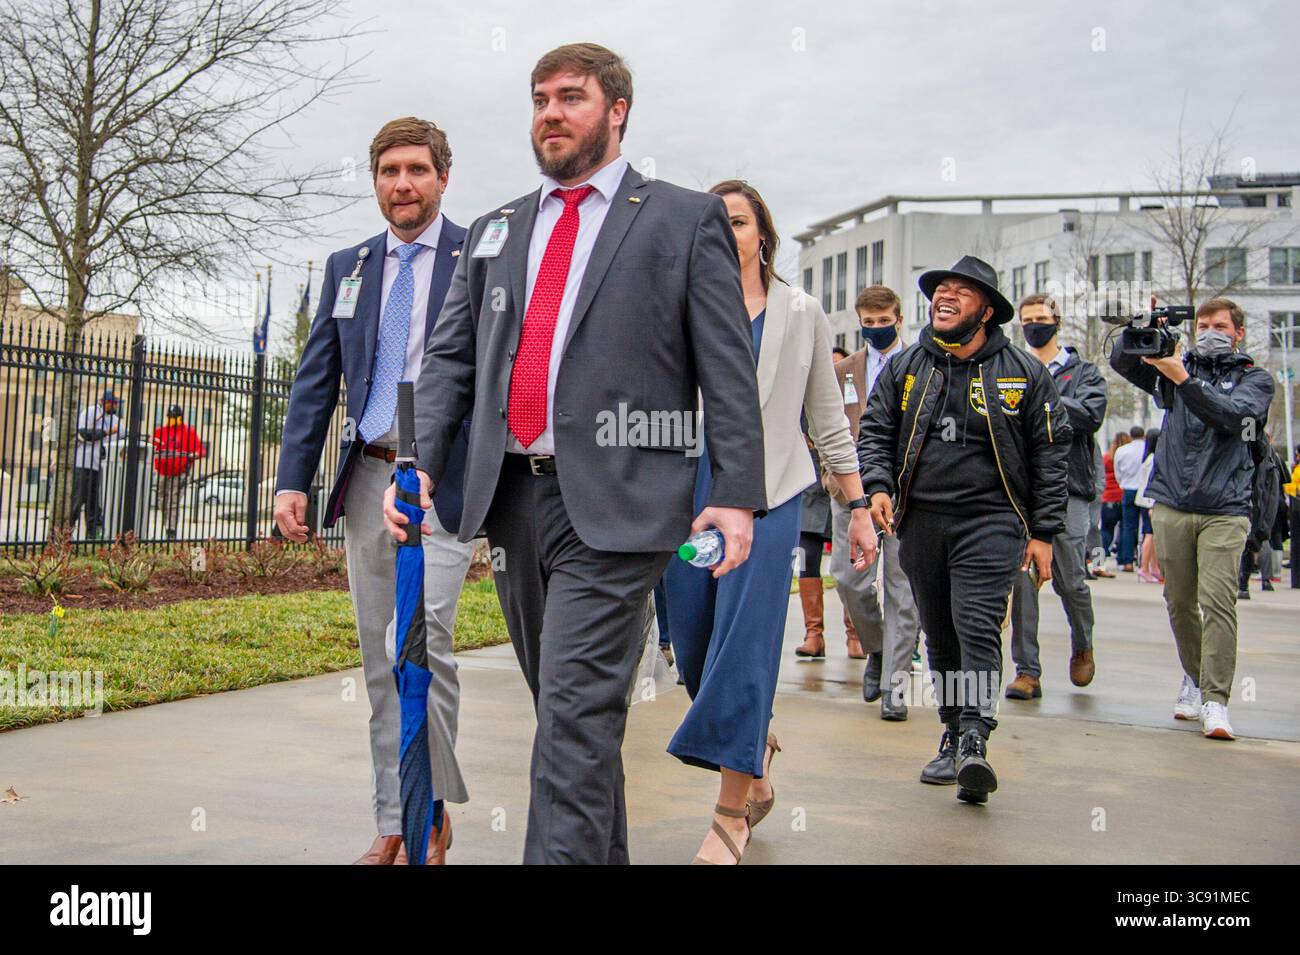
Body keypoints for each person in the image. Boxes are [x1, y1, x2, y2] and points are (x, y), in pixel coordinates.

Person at [384, 44, 768, 864]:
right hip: (514, 504)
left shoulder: (678, 217)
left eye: (570, 98)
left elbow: (726, 362)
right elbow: (451, 360)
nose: (550, 114)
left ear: (617, 109)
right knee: (573, 722)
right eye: (539, 100)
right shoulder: (496, 229)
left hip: (622, 505)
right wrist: (414, 465)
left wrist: (735, 490)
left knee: (570, 713)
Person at [275, 117, 475, 864]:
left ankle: (428, 808)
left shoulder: (475, 256)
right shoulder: (348, 266)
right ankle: (396, 815)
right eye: (390, 171)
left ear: (442, 178)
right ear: (375, 181)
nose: (403, 184)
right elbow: (315, 377)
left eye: (417, 170)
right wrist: (292, 478)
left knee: (426, 643)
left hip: (442, 477)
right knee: (379, 654)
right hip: (368, 473)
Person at [663, 180, 875, 864]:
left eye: (738, 221)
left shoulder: (800, 310)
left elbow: (826, 419)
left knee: (743, 646)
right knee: (694, 645)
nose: (725, 233)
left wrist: (859, 505)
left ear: (764, 234)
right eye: (712, 223)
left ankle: (731, 813)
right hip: (692, 501)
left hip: (770, 494)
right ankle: (756, 743)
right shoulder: (683, 305)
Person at [858, 255, 1070, 805]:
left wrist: (1044, 532)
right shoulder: (909, 367)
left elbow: (1051, 455)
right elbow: (876, 430)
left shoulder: (1024, 373)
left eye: (961, 291)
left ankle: (976, 736)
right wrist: (877, 487)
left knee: (975, 622)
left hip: (993, 521)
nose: (945, 297)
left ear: (987, 310)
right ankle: (953, 730)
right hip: (921, 521)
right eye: (940, 289)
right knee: (939, 630)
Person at [1110, 297, 1274, 741]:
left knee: (1218, 602)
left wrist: (1181, 376)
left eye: (1219, 325)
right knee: (1179, 602)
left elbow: (1233, 417)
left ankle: (1215, 699)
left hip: (1226, 508)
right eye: (1202, 324)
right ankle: (1194, 676)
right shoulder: (1174, 370)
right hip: (1173, 504)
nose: (1209, 331)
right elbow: (1121, 360)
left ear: (1238, 332)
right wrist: (1143, 326)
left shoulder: (1254, 379)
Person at [1007, 293, 1106, 700]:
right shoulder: (1013, 367)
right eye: (1027, 319)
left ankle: (1083, 643)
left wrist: (1042, 398)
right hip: (1023, 492)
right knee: (1024, 582)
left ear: (1056, 322)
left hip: (1069, 490)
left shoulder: (1084, 372)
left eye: (1040, 318)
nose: (1033, 325)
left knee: (1071, 581)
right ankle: (1027, 670)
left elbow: (1088, 415)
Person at [829, 284, 921, 720]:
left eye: (886, 322)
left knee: (903, 590)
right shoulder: (844, 370)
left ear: (899, 320)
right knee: (848, 580)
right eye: (870, 324)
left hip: (905, 494)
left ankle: (896, 686)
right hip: (852, 491)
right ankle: (879, 650)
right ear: (860, 323)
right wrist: (833, 476)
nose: (878, 329)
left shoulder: (922, 365)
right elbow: (821, 423)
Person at [794, 440, 866, 660]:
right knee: (808, 555)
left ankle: (855, 635)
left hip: (845, 478)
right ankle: (813, 634)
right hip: (811, 477)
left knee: (850, 560)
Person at [71, 390, 121, 539]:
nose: (116, 406)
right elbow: (83, 434)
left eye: (117, 404)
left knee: (94, 503)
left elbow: (124, 433)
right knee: (77, 500)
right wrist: (106, 432)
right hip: (83, 463)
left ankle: (91, 537)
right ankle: (66, 534)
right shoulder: (91, 412)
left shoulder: (115, 420)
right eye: (113, 403)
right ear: (104, 402)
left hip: (99, 466)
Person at [151, 404, 206, 540]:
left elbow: (201, 450)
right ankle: (167, 524)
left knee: (173, 500)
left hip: (180, 472)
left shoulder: (189, 432)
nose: (173, 420)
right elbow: (153, 448)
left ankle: (171, 530)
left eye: (175, 417)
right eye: (170, 417)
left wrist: (193, 455)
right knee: (161, 500)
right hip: (162, 472)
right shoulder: (160, 432)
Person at [1113, 424, 1146, 570]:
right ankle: (1144, 561)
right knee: (1147, 528)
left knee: (1128, 526)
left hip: (1129, 489)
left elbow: (1117, 472)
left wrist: (1122, 483)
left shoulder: (1122, 450)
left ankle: (1127, 561)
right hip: (1145, 490)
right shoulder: (1148, 448)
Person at [1099, 431, 1130, 567]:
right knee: (1125, 529)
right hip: (1123, 494)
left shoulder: (1107, 458)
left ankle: (1099, 559)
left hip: (1108, 497)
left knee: (1105, 530)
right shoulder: (1128, 457)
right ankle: (1122, 559)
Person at [1135, 428, 1162, 583]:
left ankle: (1153, 567)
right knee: (1150, 535)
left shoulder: (1147, 458)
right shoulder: (1154, 460)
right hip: (1150, 501)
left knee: (1150, 535)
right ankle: (1145, 567)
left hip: (1144, 500)